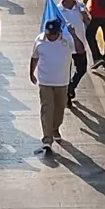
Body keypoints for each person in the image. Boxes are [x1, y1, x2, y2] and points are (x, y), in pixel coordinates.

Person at [31, 18, 75, 153]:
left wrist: (73, 34)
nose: (50, 36)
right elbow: (34, 57)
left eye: (53, 34)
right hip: (45, 82)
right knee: (46, 109)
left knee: (59, 110)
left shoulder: (67, 40)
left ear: (59, 32)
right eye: (48, 33)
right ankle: (47, 139)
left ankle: (55, 128)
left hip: (62, 82)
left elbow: (80, 49)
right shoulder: (39, 40)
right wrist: (31, 73)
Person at [58, 0, 91, 104]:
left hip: (79, 44)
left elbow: (88, 22)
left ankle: (70, 87)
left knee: (82, 69)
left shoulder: (80, 7)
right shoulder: (58, 10)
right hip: (64, 46)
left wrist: (84, 15)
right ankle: (67, 96)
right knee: (65, 72)